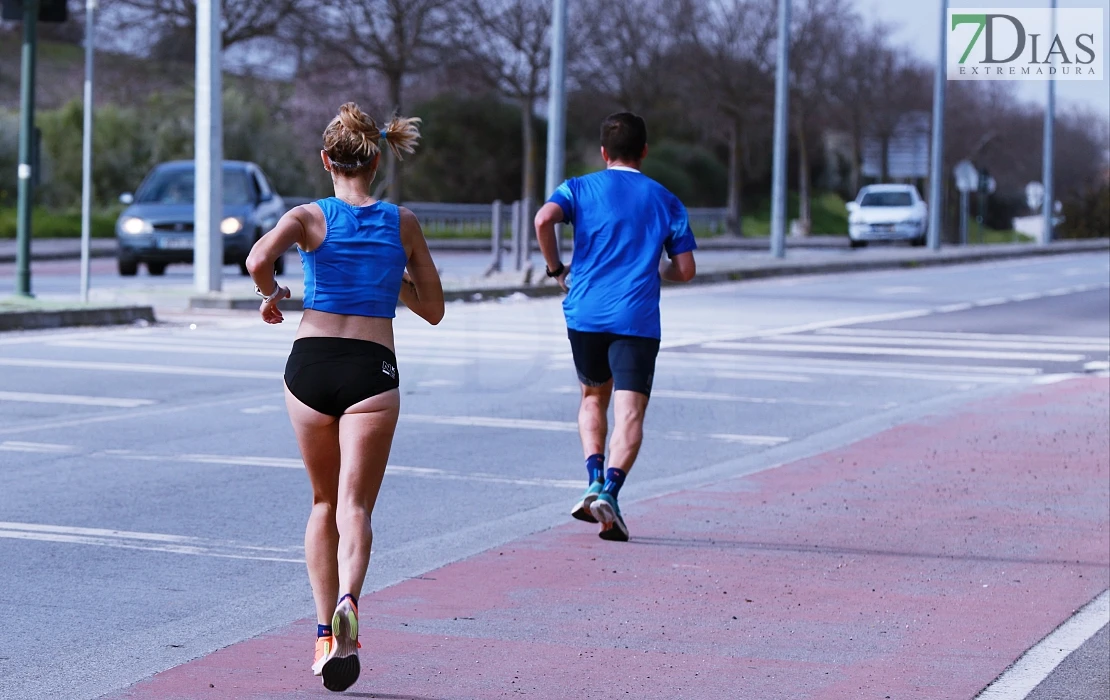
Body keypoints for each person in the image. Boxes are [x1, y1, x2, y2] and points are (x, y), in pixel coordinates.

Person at [246, 102, 444, 692]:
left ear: (327, 159)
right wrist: (393, 277)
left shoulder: (308, 216)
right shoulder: (401, 223)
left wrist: (274, 292)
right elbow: (432, 310)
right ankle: (351, 604)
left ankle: (321, 631)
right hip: (370, 371)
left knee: (321, 504)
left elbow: (257, 258)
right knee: (355, 507)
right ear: (377, 160)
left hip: (310, 366)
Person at [534, 112, 697, 542]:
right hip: (636, 319)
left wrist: (556, 270)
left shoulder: (578, 187)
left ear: (604, 153)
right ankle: (612, 489)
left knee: (592, 397)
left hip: (584, 312)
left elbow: (542, 219)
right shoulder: (665, 199)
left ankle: (592, 480)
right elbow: (686, 269)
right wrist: (657, 269)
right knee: (630, 411)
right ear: (644, 150)